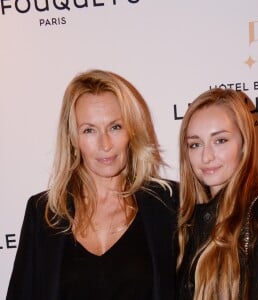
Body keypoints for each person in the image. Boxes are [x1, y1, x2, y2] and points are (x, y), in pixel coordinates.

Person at [6, 69, 178, 300]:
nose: (104, 144)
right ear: (73, 139)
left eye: (115, 127)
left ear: (132, 131)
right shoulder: (44, 212)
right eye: (89, 130)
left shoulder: (169, 204)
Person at [176, 88, 258, 300]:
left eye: (220, 140)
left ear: (244, 144)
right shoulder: (186, 222)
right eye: (195, 144)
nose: (206, 156)